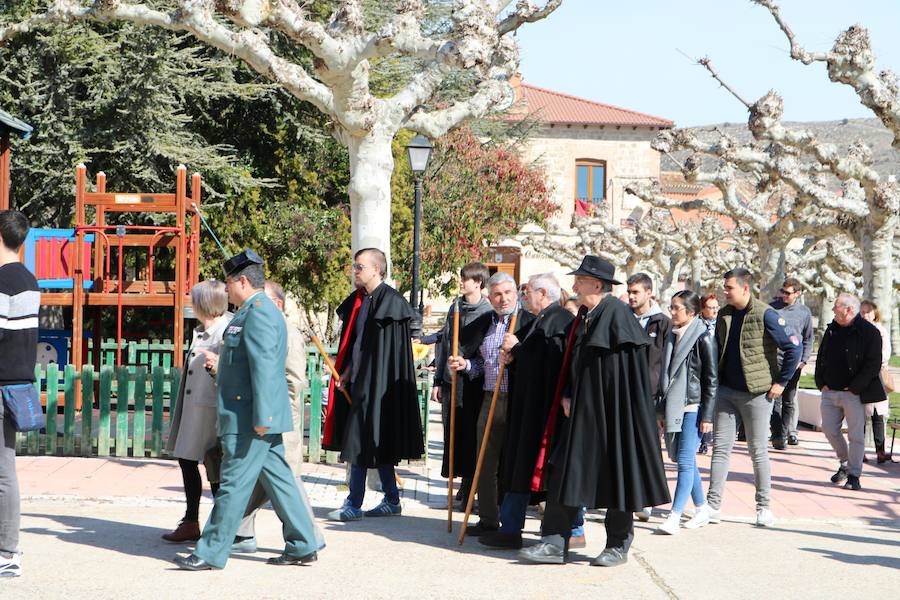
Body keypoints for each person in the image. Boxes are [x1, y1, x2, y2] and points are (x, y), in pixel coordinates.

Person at [174, 250, 321, 570]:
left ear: (242, 281)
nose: (225, 289)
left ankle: (210, 551)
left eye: (228, 283)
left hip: (251, 418)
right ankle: (304, 543)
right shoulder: (250, 312)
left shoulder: (260, 314)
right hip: (253, 416)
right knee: (281, 480)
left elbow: (266, 368)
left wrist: (265, 417)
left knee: (232, 486)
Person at [520, 256, 669, 567]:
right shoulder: (587, 316)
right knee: (564, 470)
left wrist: (600, 403)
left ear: (597, 284)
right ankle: (553, 541)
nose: (574, 285)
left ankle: (617, 544)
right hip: (584, 414)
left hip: (614, 416)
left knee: (618, 475)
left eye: (581, 280)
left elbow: (624, 375)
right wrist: (571, 393)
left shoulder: (616, 316)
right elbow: (581, 364)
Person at [685, 268, 800, 530]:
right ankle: (712, 506)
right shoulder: (724, 314)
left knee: (758, 451)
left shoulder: (766, 314)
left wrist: (781, 382)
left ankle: (763, 508)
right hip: (726, 393)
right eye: (724, 287)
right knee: (720, 450)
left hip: (757, 395)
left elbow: (794, 347)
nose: (725, 292)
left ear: (745, 289)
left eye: (729, 288)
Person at [323, 248, 424, 521]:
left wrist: (369, 380)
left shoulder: (391, 302)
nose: (355, 271)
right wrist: (348, 371)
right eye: (354, 266)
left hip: (380, 387)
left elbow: (386, 355)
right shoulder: (360, 300)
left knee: (364, 441)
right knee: (374, 442)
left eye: (359, 266)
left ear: (376, 269)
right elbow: (358, 345)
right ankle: (391, 499)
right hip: (360, 382)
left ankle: (354, 504)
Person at [478, 273, 574, 550]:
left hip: (544, 412)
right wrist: (513, 357)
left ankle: (564, 531)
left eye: (527, 291)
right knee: (517, 467)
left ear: (543, 293)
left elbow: (551, 366)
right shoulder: (540, 321)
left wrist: (518, 349)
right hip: (527, 409)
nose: (523, 296)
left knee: (546, 472)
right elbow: (530, 361)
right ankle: (510, 529)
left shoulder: (560, 322)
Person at [231, 280, 323, 553]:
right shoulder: (265, 328)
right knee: (259, 479)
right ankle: (241, 533)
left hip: (282, 420)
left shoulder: (288, 332)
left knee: (286, 480)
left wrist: (288, 419)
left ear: (278, 304)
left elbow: (294, 381)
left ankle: (310, 535)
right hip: (264, 416)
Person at [447, 272, 533, 535]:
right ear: (490, 296)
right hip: (489, 397)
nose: (503, 298)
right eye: (497, 294)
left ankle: (511, 525)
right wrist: (466, 365)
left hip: (516, 401)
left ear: (516, 294)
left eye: (507, 293)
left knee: (512, 462)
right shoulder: (487, 322)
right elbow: (482, 364)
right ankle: (487, 519)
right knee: (484, 459)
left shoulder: (529, 322)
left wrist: (518, 353)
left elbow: (538, 360)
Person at [162, 280, 231, 543]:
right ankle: (192, 521)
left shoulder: (224, 330)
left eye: (194, 299)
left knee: (213, 465)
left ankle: (218, 525)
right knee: (188, 460)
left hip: (210, 409)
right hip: (196, 408)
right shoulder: (204, 330)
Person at [655, 291, 717, 535]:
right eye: (671, 307)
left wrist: (708, 417)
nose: (672, 312)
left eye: (676, 308)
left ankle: (675, 514)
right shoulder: (672, 336)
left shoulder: (703, 338)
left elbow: (711, 380)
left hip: (693, 406)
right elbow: (667, 375)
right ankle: (701, 508)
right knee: (687, 461)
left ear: (691, 313)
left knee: (684, 461)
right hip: (674, 405)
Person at [432, 262, 492, 508]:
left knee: (470, 435)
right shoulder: (455, 306)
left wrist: (466, 363)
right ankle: (459, 483)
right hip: (451, 380)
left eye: (466, 278)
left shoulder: (487, 312)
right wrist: (439, 378)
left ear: (478, 282)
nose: (462, 282)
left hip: (472, 382)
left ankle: (470, 486)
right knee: (452, 433)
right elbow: (446, 341)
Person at [0, 210, 40, 578]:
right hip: (16, 383)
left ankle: (7, 551)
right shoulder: (29, 279)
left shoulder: (1, 280)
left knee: (3, 471)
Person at [815, 294, 885, 490]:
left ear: (848, 310)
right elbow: (822, 356)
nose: (833, 309)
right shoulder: (832, 329)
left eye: (836, 306)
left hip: (854, 393)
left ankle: (854, 475)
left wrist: (855, 388)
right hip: (830, 391)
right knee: (829, 429)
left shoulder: (869, 332)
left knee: (856, 436)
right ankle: (845, 462)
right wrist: (820, 382)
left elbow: (873, 364)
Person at [626, 272, 672, 522]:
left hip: (651, 397)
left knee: (648, 448)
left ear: (648, 292)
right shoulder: (623, 317)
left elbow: (665, 362)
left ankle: (646, 500)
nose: (632, 296)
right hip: (625, 394)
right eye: (629, 291)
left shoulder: (662, 323)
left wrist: (662, 403)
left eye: (636, 292)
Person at [769, 278, 814, 449]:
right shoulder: (772, 308)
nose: (784, 295)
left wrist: (803, 361)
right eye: (782, 291)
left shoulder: (804, 312)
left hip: (794, 363)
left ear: (797, 293)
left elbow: (809, 338)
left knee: (788, 400)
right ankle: (777, 434)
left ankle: (786, 432)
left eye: (788, 293)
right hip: (774, 361)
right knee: (774, 399)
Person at [859, 300, 894, 464]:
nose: (865, 314)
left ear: (875, 313)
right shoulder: (857, 329)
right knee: (860, 416)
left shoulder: (881, 331)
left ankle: (880, 451)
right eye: (862, 311)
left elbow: (885, 353)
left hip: (877, 376)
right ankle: (860, 451)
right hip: (861, 376)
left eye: (868, 311)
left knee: (877, 415)